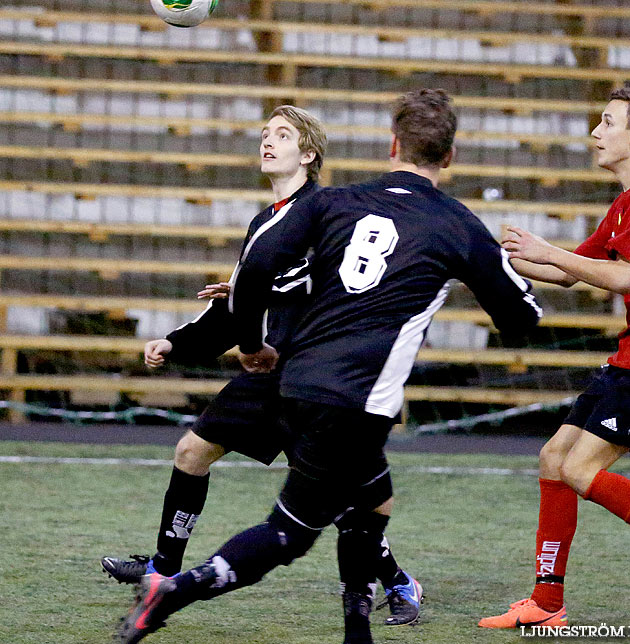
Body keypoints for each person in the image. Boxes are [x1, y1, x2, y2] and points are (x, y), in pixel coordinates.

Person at [114, 88, 543, 644]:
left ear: (392, 144)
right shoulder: (457, 225)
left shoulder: (335, 201)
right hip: (355, 401)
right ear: (451, 156)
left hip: (297, 382)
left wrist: (248, 339)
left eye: (282, 134)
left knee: (372, 502)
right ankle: (173, 589)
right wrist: (537, 265)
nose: (269, 141)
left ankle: (361, 623)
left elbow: (257, 269)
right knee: (290, 534)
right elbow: (522, 318)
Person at [103, 105, 423, 628]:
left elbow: (339, 286)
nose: (267, 142)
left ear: (309, 153)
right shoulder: (265, 221)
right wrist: (176, 343)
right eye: (264, 134)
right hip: (265, 371)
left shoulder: (326, 212)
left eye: (282, 135)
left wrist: (262, 286)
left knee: (337, 502)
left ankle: (399, 583)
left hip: (313, 378)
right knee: (190, 452)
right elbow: (240, 311)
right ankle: (162, 572)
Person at [478, 87, 630, 630]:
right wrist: (486, 259)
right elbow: (568, 270)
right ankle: (547, 604)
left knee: (578, 468)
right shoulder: (628, 201)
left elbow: (620, 277)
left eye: (607, 122)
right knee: (554, 459)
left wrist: (546, 251)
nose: (596, 131)